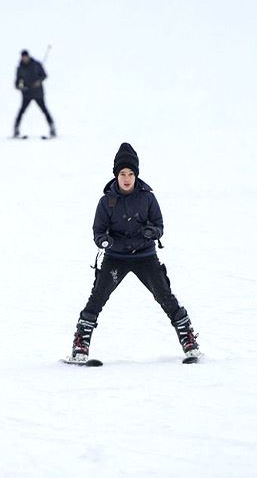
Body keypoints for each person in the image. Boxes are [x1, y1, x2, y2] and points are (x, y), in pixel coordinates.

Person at [69, 144, 200, 363]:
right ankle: (80, 345)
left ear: (136, 175)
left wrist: (153, 232)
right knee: (98, 297)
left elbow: (159, 225)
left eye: (131, 173)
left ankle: (188, 340)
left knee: (164, 295)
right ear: (116, 175)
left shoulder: (148, 198)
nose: (127, 178)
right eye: (122, 174)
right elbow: (97, 230)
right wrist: (103, 240)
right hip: (116, 258)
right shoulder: (106, 201)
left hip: (144, 257)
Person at [13, 49, 56, 139]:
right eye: (23, 57)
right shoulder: (20, 68)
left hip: (38, 93)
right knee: (21, 112)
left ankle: (52, 128)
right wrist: (19, 87)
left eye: (26, 57)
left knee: (44, 110)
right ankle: (16, 129)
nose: (24, 59)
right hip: (26, 94)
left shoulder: (37, 64)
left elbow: (44, 75)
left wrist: (38, 82)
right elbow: (17, 82)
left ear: (28, 56)